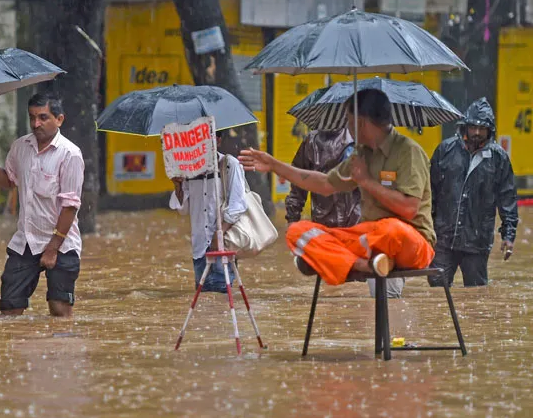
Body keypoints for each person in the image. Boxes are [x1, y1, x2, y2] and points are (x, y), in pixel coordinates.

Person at [239, 89, 436, 285]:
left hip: (411, 243)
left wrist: (366, 181)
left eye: (349, 122)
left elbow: (409, 209)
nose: (348, 129)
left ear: (361, 123)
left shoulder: (408, 152)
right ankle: (363, 264)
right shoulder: (361, 155)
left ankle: (331, 260)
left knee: (391, 228)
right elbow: (325, 184)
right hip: (369, 240)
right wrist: (275, 165)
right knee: (297, 231)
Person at [0, 93, 84, 317]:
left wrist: (53, 248)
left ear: (59, 119)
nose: (36, 124)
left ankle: (59, 351)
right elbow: (8, 181)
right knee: (9, 310)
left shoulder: (70, 154)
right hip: (26, 240)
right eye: (32, 117)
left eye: (43, 117)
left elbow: (70, 206)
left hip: (61, 243)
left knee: (60, 310)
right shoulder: (20, 146)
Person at [285, 128, 405, 297]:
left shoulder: (381, 142)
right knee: (337, 297)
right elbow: (299, 183)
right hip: (330, 229)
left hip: (368, 231)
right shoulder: (314, 142)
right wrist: (293, 219)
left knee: (380, 295)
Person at [428, 97, 518, 287]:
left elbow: (507, 199)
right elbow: (430, 194)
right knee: (437, 292)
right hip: (443, 240)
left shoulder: (498, 158)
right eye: (473, 127)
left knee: (477, 295)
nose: (477, 133)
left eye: (482, 129)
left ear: (490, 131)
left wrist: (508, 236)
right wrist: (426, 230)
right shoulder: (445, 150)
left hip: (477, 242)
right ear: (465, 127)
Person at [170, 130, 247, 292]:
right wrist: (177, 186)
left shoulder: (229, 164)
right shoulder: (188, 171)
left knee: (221, 301)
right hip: (199, 249)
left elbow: (237, 206)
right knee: (203, 304)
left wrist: (217, 236)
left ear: (218, 141)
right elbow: (183, 210)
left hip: (223, 246)